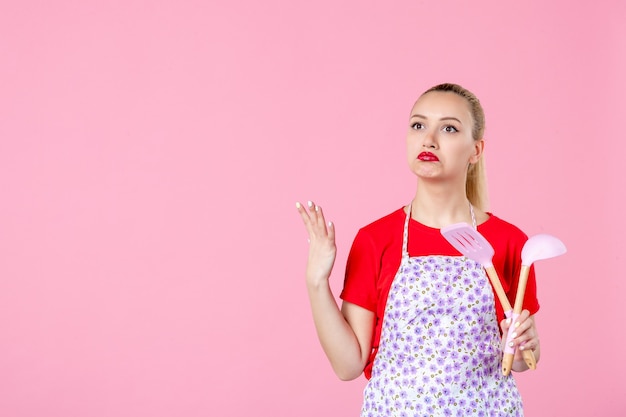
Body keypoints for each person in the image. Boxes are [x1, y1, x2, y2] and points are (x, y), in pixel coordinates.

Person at [295, 83, 540, 416]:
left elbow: (521, 361)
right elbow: (348, 365)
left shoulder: (509, 243)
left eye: (449, 128)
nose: (429, 139)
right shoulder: (375, 239)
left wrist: (528, 346)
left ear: (476, 151)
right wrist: (316, 282)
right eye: (418, 125)